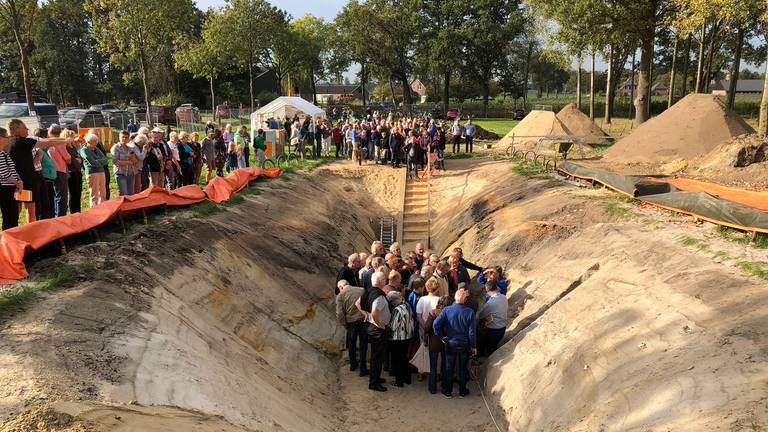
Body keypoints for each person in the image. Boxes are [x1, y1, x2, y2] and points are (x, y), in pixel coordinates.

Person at [7, 119, 73, 223]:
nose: (27, 129)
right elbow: (47, 142)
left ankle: (15, 230)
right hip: (27, 181)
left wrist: (66, 139)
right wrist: (65, 141)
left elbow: (47, 141)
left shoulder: (10, 141)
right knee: (31, 209)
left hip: (17, 180)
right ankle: (30, 233)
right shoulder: (22, 141)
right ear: (17, 129)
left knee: (18, 209)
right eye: (25, 127)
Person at [433, 288, 476, 398]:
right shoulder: (470, 312)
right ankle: (462, 391)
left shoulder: (447, 310)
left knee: (449, 368)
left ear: (455, 298)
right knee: (462, 368)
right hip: (464, 344)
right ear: (465, 299)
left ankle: (447, 391)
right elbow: (472, 332)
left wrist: (441, 337)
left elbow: (436, 324)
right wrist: (473, 346)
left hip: (450, 343)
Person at [357, 271, 390, 392]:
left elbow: (357, 303)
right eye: (384, 279)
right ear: (381, 281)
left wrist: (365, 314)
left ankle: (375, 377)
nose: (386, 281)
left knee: (376, 355)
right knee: (377, 356)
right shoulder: (379, 296)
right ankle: (374, 383)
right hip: (377, 329)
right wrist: (379, 324)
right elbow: (376, 313)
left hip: (370, 326)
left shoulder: (367, 291)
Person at [336, 280, 368, 375]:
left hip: (351, 322)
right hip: (363, 320)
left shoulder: (340, 296)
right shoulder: (361, 290)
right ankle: (363, 367)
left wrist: (344, 324)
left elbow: (339, 313)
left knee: (351, 345)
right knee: (363, 345)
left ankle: (353, 364)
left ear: (341, 287)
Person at [425, 295, 451, 394]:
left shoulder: (433, 313)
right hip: (446, 342)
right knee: (445, 366)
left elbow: (427, 328)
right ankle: (444, 385)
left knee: (433, 366)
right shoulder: (451, 313)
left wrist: (431, 319)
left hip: (434, 342)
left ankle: (433, 388)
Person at [387, 291, 414, 387]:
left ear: (394, 300)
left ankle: (399, 382)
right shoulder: (407, 305)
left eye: (391, 302)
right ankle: (407, 379)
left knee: (397, 360)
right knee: (404, 358)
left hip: (398, 338)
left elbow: (393, 326)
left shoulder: (397, 310)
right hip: (407, 336)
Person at [0, 127, 23, 230]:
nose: (9, 138)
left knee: (13, 216)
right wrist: (17, 182)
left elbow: (12, 170)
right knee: (9, 217)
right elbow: (4, 172)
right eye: (6, 136)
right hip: (4, 189)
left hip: (10, 187)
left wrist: (19, 180)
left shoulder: (3, 153)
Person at [478, 281, 508, 357]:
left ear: (487, 289)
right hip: (503, 327)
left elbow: (481, 315)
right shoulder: (504, 297)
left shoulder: (490, 303)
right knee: (494, 346)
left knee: (490, 348)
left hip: (493, 330)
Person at [47, 125, 71, 217]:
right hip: (60, 170)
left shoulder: (49, 142)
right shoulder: (59, 142)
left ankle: (57, 215)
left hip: (51, 171)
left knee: (56, 195)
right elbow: (67, 158)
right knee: (62, 195)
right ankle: (61, 217)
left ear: (50, 132)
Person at [80, 133, 109, 207]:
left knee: (103, 192)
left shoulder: (97, 149)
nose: (96, 143)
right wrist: (100, 161)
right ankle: (94, 209)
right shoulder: (84, 150)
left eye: (96, 141)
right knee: (94, 193)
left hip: (101, 172)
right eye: (94, 141)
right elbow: (92, 162)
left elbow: (106, 160)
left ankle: (103, 207)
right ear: (88, 142)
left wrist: (97, 161)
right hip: (92, 173)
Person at [111, 130, 138, 196]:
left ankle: (131, 206)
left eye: (126, 137)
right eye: (123, 137)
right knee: (124, 194)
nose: (124, 139)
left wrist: (132, 157)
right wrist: (128, 162)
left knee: (131, 194)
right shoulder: (115, 147)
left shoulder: (130, 148)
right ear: (119, 137)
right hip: (121, 174)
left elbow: (135, 162)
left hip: (130, 173)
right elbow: (115, 161)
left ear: (128, 138)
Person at [63, 130, 83, 213]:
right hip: (71, 173)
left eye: (73, 136)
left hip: (78, 171)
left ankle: (78, 211)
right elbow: (69, 159)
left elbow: (80, 158)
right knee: (73, 194)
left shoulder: (73, 147)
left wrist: (79, 160)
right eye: (71, 136)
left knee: (78, 193)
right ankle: (73, 212)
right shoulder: (65, 147)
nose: (73, 138)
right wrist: (77, 160)